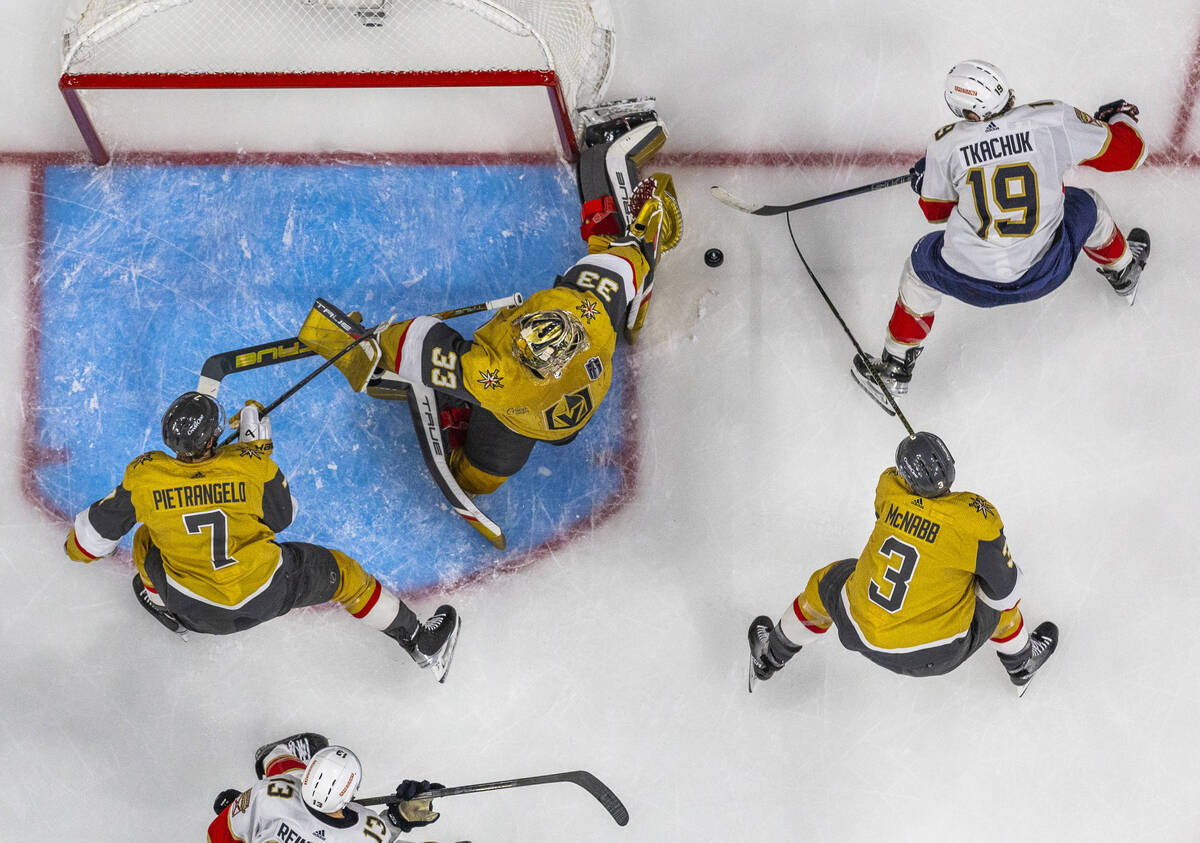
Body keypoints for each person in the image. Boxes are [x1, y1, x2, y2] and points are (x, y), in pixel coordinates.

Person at [296, 98, 682, 497]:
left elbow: (421, 341)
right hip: (567, 420)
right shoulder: (586, 313)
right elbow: (623, 261)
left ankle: (458, 414)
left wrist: (370, 343)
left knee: (475, 480)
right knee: (609, 254)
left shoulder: (493, 376)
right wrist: (642, 230)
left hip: (520, 419)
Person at [63, 391, 460, 680]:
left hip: (197, 611)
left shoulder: (146, 475)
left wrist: (73, 547)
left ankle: (161, 605)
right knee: (345, 575)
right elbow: (282, 518)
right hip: (269, 592)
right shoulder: (249, 466)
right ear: (215, 436)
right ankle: (414, 640)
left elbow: (87, 543)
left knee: (146, 537)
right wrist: (258, 454)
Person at [852, 59, 1150, 406]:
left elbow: (936, 213)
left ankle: (894, 369)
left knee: (920, 269)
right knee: (1088, 206)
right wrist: (1118, 119)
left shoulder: (946, 145)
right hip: (1046, 269)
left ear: (971, 114)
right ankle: (1125, 272)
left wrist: (927, 180)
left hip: (972, 282)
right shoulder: (1052, 118)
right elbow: (1131, 154)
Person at [747, 432, 1058, 696]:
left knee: (825, 583)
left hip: (860, 631)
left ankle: (770, 655)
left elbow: (898, 516)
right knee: (996, 605)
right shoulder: (973, 521)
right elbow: (1007, 594)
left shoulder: (889, 489)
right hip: (940, 653)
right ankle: (1021, 665)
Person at [208, 732, 444, 842]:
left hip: (275, 797)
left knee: (291, 785)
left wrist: (240, 808)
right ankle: (274, 757)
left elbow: (217, 836)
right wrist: (398, 818)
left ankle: (274, 755)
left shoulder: (271, 793)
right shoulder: (370, 830)